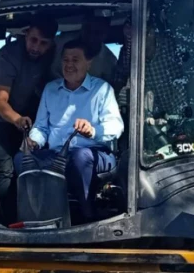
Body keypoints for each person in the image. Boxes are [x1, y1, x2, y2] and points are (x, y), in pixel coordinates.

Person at [18, 39, 124, 221]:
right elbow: (41, 127)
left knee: (80, 158)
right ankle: (35, 217)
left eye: (75, 60)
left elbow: (116, 126)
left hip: (96, 153)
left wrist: (92, 130)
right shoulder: (50, 90)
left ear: (88, 63)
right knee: (21, 158)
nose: (69, 65)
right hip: (57, 154)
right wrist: (34, 140)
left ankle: (87, 217)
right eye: (65, 60)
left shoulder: (102, 90)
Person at [0, 19, 57, 220]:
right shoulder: (8, 56)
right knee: (6, 171)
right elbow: (0, 102)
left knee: (28, 164)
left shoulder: (50, 56)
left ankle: (33, 217)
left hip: (24, 115)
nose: (36, 47)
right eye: (33, 40)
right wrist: (18, 119)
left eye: (43, 43)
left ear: (51, 44)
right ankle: (5, 223)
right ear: (25, 34)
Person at [51, 14, 117, 82]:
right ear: (82, 27)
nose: (91, 36)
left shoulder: (109, 60)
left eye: (98, 32)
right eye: (88, 29)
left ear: (106, 33)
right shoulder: (60, 42)